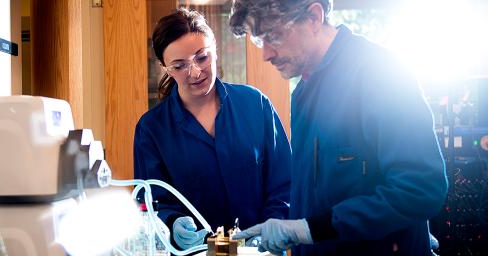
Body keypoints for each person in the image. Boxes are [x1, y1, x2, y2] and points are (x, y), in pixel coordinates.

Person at [228, 0, 448, 255]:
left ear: (313, 17)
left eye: (273, 36)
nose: (265, 54)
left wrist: (310, 229)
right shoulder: (303, 90)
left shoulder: (382, 72)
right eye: (259, 40)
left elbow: (422, 187)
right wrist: (293, 230)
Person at [134, 8, 292, 250]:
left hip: (261, 251)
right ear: (165, 67)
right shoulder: (152, 129)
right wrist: (173, 223)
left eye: (202, 57)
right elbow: (151, 201)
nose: (195, 72)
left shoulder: (255, 104)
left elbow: (284, 182)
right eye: (179, 65)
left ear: (215, 50)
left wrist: (271, 227)